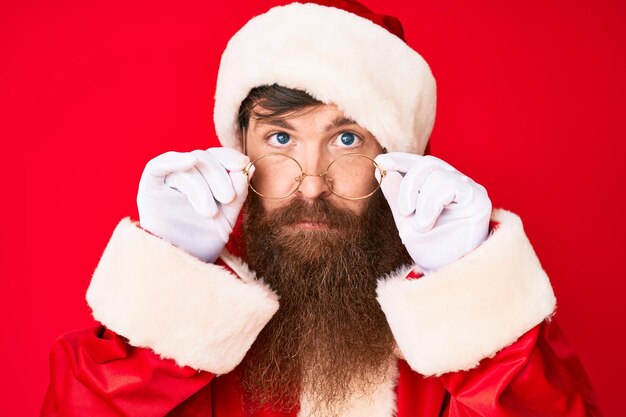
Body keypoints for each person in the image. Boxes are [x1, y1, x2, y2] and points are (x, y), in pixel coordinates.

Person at [41, 1, 601, 416]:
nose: (311, 185)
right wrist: (171, 293)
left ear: (396, 159)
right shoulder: (185, 334)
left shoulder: (448, 335)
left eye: (347, 140)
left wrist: (472, 298)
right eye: (281, 139)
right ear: (241, 152)